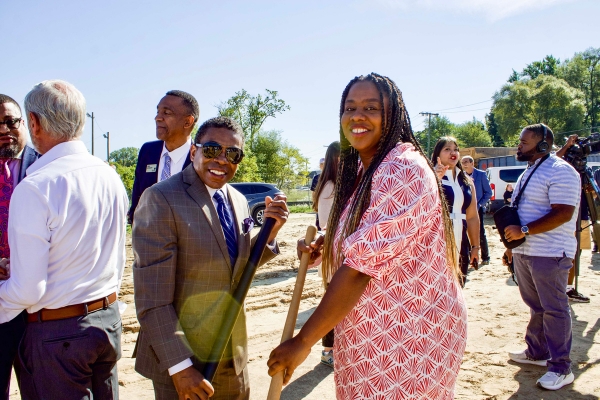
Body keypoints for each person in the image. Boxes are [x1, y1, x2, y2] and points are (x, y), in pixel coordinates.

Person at [267, 73, 467, 399]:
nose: (357, 116)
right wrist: (328, 245)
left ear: (393, 115)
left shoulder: (402, 167)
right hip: (368, 333)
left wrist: (303, 341)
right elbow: (370, 239)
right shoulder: (367, 168)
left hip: (407, 334)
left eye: (371, 108)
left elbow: (360, 268)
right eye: (350, 108)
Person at [133, 116, 289, 400]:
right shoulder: (161, 198)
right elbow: (152, 299)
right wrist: (180, 368)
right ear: (194, 150)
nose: (221, 160)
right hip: (184, 363)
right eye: (212, 149)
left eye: (233, 154)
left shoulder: (238, 200)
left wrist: (270, 233)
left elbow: (235, 269)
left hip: (232, 355)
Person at [0, 80, 128, 398]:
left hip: (57, 335)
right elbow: (117, 259)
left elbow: (29, 289)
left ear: (33, 122)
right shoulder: (109, 176)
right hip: (106, 320)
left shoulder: (35, 187)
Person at [503, 123, 580, 391]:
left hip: (550, 252)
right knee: (536, 307)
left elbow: (563, 213)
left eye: (524, 142)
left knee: (554, 310)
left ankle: (561, 368)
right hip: (526, 251)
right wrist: (512, 245)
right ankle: (537, 352)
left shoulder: (561, 171)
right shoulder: (531, 169)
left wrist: (524, 230)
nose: (519, 146)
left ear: (543, 144)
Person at [0, 94, 39, 400]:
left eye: (10, 121)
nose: (4, 129)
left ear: (24, 122)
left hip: (38, 307)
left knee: (39, 389)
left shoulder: (47, 166)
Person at [128, 90, 198, 223]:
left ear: (188, 121)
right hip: (147, 234)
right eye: (158, 112)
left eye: (166, 113)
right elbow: (137, 203)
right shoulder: (147, 151)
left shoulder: (202, 158)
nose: (158, 118)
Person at [433, 138, 480, 286]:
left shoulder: (466, 181)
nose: (453, 153)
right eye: (447, 149)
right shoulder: (429, 176)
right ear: (438, 154)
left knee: (459, 284)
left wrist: (475, 247)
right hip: (437, 242)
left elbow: (472, 216)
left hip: (461, 242)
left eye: (456, 149)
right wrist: (434, 179)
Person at [311, 140, 340, 368]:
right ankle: (328, 351)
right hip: (334, 251)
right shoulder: (330, 186)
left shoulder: (335, 184)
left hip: (339, 251)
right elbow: (328, 224)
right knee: (333, 303)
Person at [555, 134, 591, 303]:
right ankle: (563, 286)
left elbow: (592, 193)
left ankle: (569, 286)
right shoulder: (557, 168)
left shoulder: (584, 171)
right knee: (565, 252)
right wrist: (567, 146)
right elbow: (552, 159)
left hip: (581, 215)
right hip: (562, 220)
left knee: (577, 251)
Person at [461, 155, 493, 265]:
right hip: (465, 208)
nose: (464, 164)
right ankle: (470, 257)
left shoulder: (481, 174)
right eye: (462, 162)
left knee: (480, 232)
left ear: (472, 163)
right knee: (465, 232)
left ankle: (485, 257)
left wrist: (479, 204)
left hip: (477, 208)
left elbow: (488, 193)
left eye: (466, 161)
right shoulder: (461, 176)